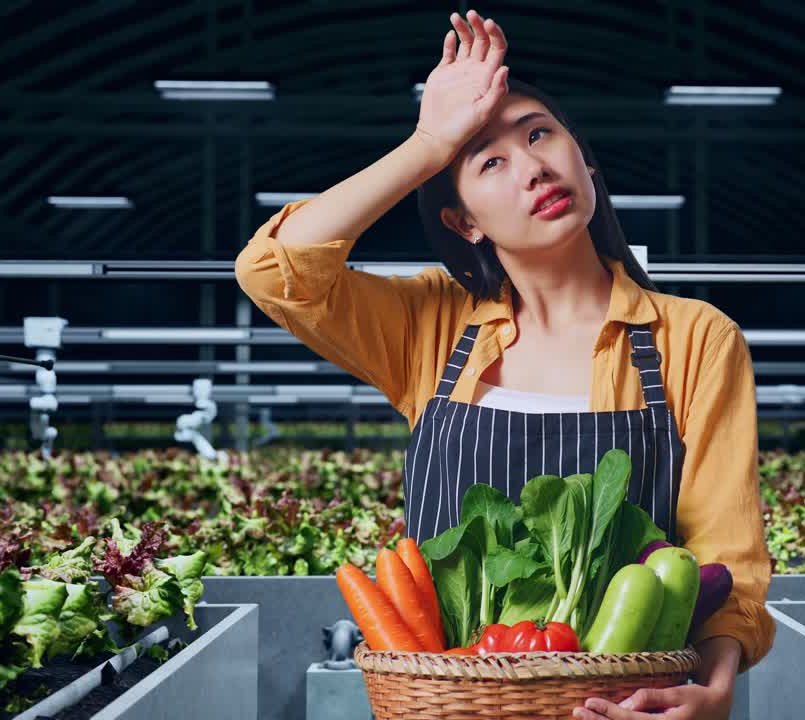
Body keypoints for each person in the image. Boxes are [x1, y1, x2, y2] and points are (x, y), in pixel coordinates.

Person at [235, 9, 774, 718]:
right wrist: (429, 145)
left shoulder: (694, 337)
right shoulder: (431, 325)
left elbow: (724, 551)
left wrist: (714, 689)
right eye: (490, 161)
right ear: (465, 222)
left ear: (584, 157)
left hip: (616, 706)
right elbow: (274, 272)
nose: (534, 167)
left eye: (541, 134)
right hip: (445, 702)